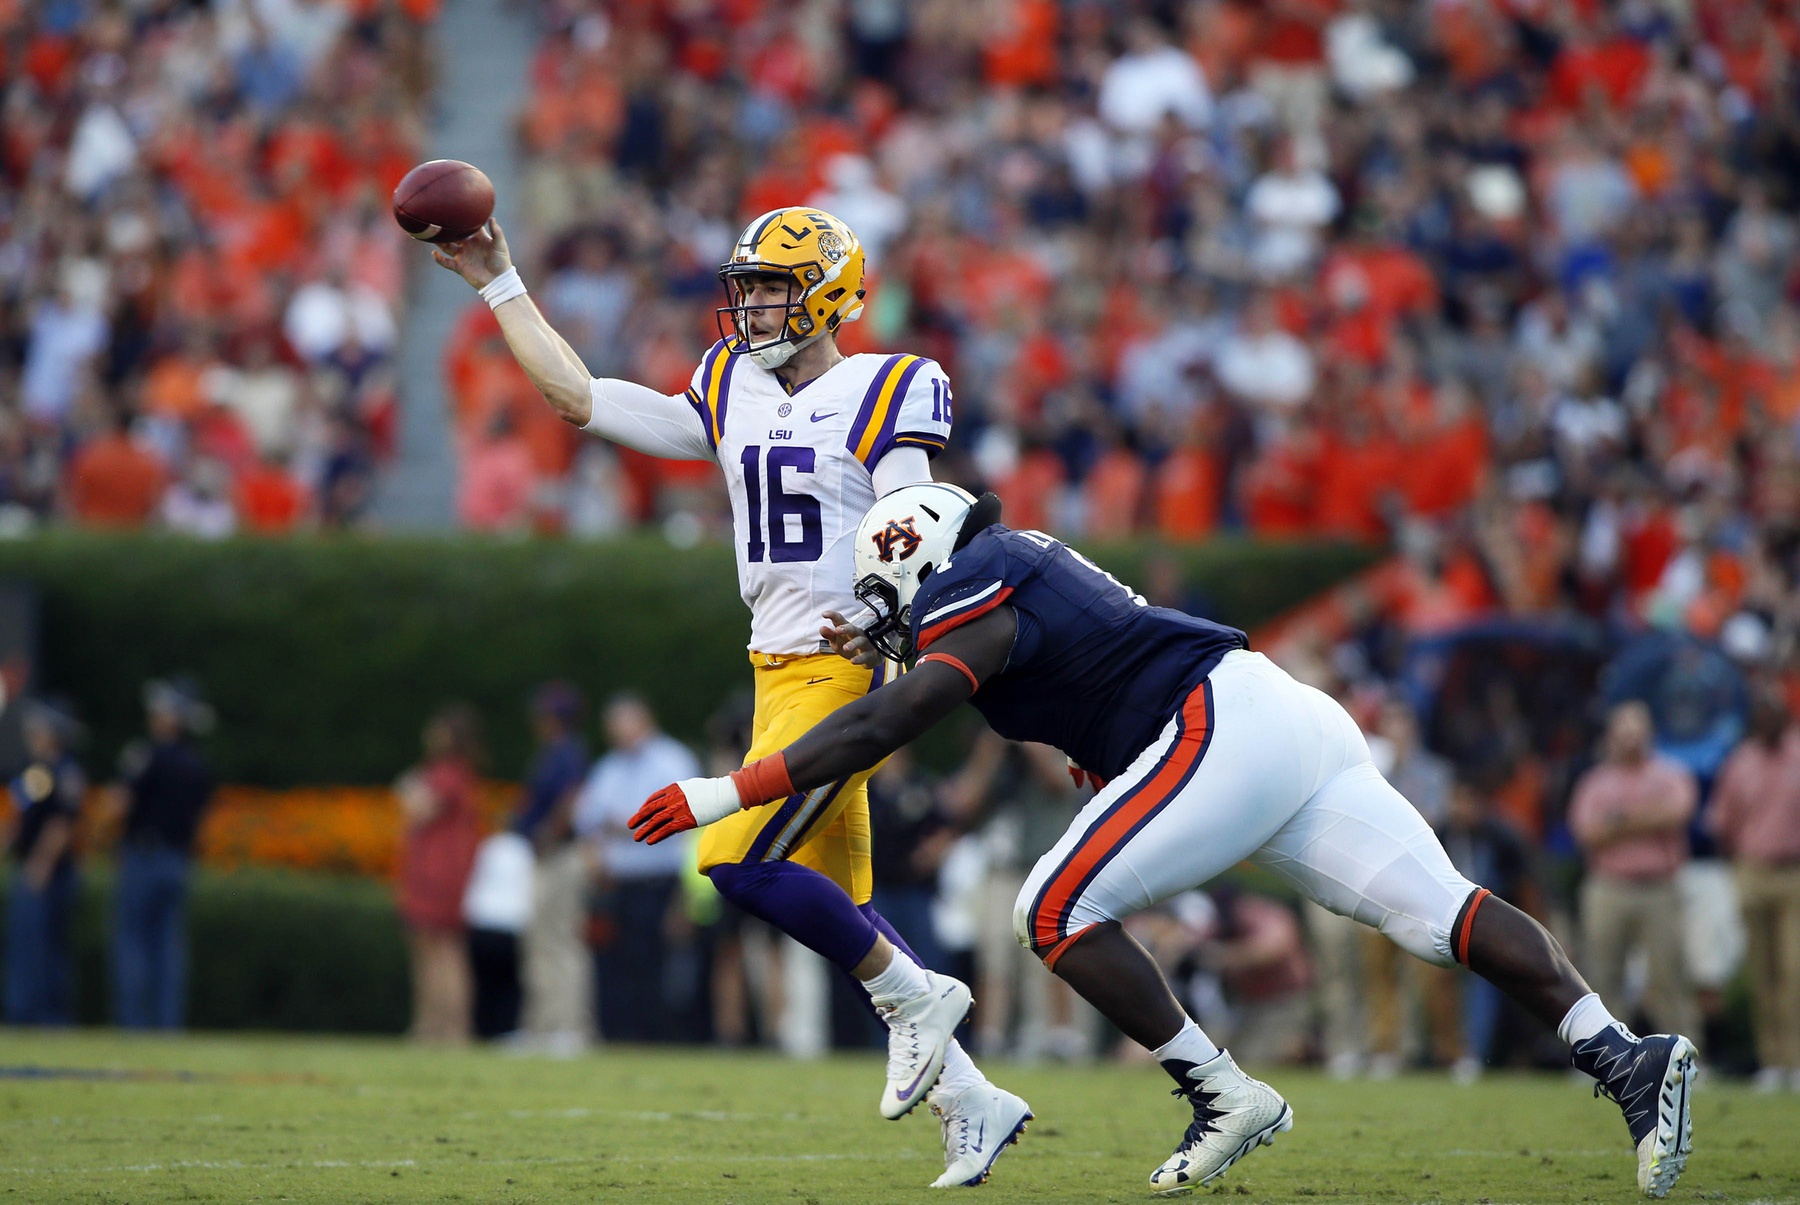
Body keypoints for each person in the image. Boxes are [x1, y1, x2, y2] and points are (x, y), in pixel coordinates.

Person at [630, 484, 1698, 1200]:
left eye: (886, 600)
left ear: (920, 564)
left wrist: (728, 785)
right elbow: (1064, 683)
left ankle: (1222, 1089)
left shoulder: (978, 580)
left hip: (1224, 726)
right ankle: (1623, 1052)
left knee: (1050, 908)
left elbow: (888, 719)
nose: (884, 621)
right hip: (1278, 719)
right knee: (1441, 915)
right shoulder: (1009, 569)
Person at [430, 206, 1027, 1186]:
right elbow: (582, 398)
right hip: (774, 669)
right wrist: (500, 282)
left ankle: (922, 999)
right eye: (744, 284)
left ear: (830, 291)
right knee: (830, 898)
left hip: (844, 668)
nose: (750, 303)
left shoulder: (888, 385)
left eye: (772, 285)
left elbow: (912, 518)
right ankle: (973, 1095)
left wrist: (893, 622)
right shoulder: (729, 385)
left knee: (735, 857)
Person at [1569, 701, 1700, 1044]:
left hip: (1660, 886)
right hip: (1609, 886)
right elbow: (1586, 832)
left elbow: (1677, 813)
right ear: (1612, 737)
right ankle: (1602, 1053)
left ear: (1649, 735)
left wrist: (1618, 821)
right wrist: (1646, 818)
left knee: (1669, 974)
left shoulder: (1669, 774)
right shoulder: (1595, 782)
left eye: (1636, 732)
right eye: (1623, 732)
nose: (1630, 740)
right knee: (1602, 974)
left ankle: (1681, 1055)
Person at [572, 693, 699, 1043]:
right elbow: (585, 822)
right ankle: (620, 1036)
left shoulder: (672, 760)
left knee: (656, 966)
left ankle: (658, 1037)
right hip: (616, 885)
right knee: (617, 966)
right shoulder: (608, 767)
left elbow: (682, 820)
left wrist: (625, 827)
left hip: (659, 881)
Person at [1707, 687, 1800, 1091]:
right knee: (1762, 970)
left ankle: (1794, 1060)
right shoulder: (1741, 762)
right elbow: (1722, 822)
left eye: (1774, 714)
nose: (1768, 721)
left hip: (1794, 871)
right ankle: (1773, 1061)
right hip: (1752, 870)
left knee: (1794, 969)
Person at [114, 678, 215, 1030]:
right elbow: (202, 818)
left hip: (145, 855)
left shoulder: (147, 755)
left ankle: (135, 1025)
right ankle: (167, 1025)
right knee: (169, 948)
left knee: (134, 943)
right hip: (178, 859)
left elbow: (122, 804)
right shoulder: (196, 763)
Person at [396, 704, 484, 1045]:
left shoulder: (447, 773)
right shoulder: (460, 772)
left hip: (437, 871)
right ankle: (435, 1026)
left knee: (441, 950)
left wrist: (407, 788)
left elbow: (420, 808)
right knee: (438, 949)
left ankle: (446, 1027)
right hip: (441, 870)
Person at [511, 682, 592, 1053]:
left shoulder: (568, 753)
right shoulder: (555, 752)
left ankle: (569, 1028)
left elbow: (571, 798)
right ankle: (541, 1027)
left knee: (559, 941)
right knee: (540, 943)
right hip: (547, 857)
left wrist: (548, 833)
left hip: (559, 856)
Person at [4, 699, 86, 1025]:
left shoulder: (65, 769)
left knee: (44, 947)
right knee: (28, 944)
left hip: (49, 873)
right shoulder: (32, 769)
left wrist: (41, 865)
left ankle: (46, 1016)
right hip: (30, 867)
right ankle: (26, 1014)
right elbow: (19, 816)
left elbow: (61, 824)